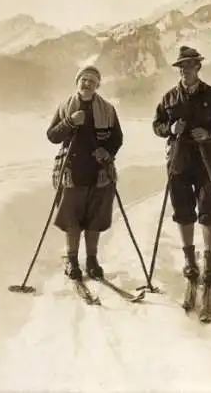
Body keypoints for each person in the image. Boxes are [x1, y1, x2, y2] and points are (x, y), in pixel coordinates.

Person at [152, 45, 211, 296]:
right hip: (178, 158)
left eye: (189, 66)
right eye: (181, 67)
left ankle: (209, 266)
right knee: (183, 209)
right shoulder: (169, 98)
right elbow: (157, 125)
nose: (184, 71)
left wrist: (209, 133)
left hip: (206, 158)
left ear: (198, 67)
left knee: (209, 208)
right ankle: (190, 262)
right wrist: (170, 129)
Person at [47, 65, 123, 281]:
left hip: (100, 172)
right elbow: (52, 136)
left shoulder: (107, 109)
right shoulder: (65, 107)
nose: (87, 83)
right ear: (77, 82)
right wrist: (70, 122)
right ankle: (71, 261)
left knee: (95, 219)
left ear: (98, 85)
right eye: (84, 80)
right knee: (71, 219)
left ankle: (91, 260)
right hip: (72, 171)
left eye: (92, 81)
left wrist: (106, 151)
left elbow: (117, 138)